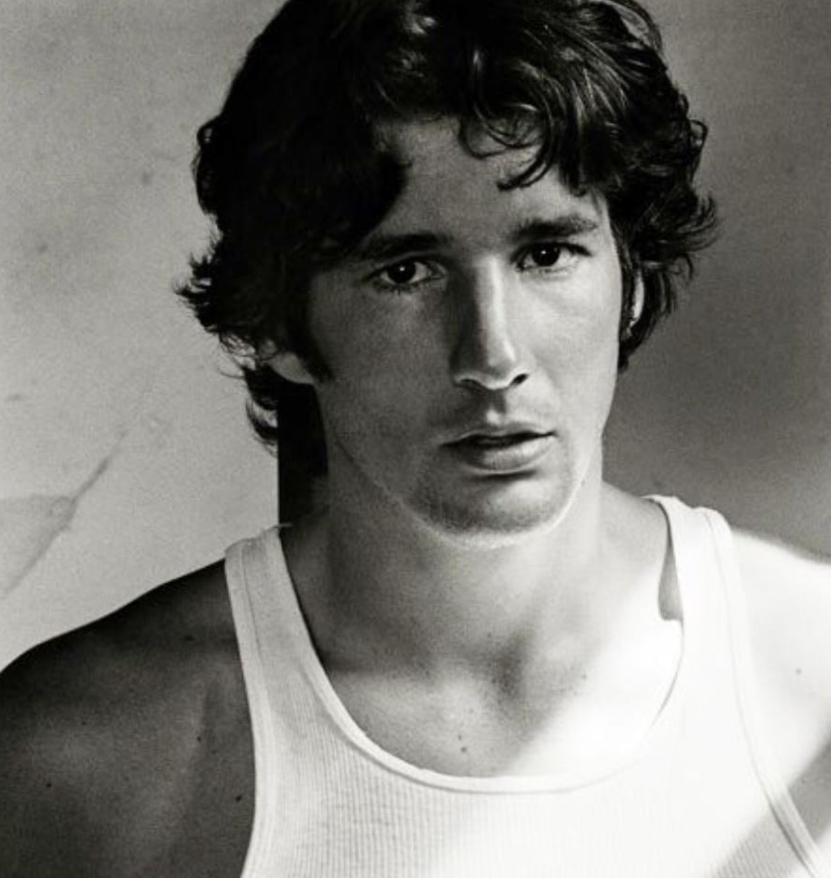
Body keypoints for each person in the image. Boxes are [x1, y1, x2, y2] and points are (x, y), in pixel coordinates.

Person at [1, 0, 830, 875]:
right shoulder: (87, 754)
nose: (493, 356)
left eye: (546, 254)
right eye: (407, 272)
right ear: (277, 326)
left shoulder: (809, 662)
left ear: (631, 282)